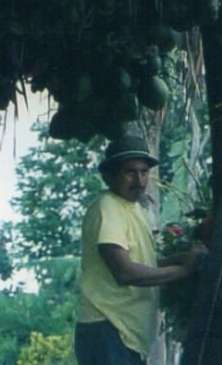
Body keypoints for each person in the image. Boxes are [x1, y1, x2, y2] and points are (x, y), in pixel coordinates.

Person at [74, 133, 202, 365]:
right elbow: (125, 272)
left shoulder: (134, 209)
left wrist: (178, 259)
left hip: (125, 335)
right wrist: (183, 271)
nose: (140, 180)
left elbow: (144, 262)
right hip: (108, 328)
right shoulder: (108, 208)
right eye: (130, 172)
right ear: (108, 176)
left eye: (144, 172)